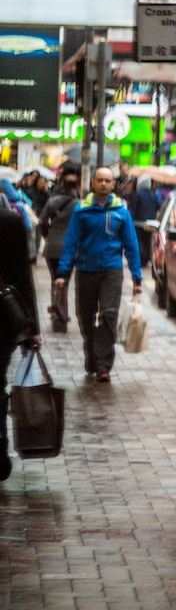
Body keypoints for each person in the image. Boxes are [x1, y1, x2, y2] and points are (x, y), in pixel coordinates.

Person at [54, 167, 142, 382]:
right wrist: (62, 273)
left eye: (108, 180)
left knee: (109, 315)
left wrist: (137, 278)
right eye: (100, 180)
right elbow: (71, 243)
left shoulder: (121, 211)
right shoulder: (81, 210)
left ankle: (103, 364)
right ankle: (92, 354)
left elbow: (131, 246)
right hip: (85, 271)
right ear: (93, 183)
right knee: (85, 317)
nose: (104, 184)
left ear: (113, 184)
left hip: (111, 271)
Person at [0, 206, 42, 481]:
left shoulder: (10, 221)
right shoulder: (10, 221)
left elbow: (23, 276)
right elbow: (23, 277)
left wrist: (31, 328)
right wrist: (31, 329)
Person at [38, 166, 81, 333]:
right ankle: (61, 311)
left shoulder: (52, 202)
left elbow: (42, 222)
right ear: (77, 186)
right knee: (65, 280)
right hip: (69, 249)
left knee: (54, 278)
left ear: (61, 184)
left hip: (52, 247)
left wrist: (48, 236)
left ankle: (56, 308)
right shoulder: (79, 205)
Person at [127, 176, 160, 267]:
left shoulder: (136, 194)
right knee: (148, 241)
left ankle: (142, 258)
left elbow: (133, 208)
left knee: (139, 241)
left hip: (138, 222)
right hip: (150, 223)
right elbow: (158, 206)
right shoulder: (153, 194)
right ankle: (147, 257)